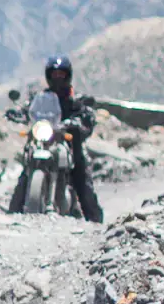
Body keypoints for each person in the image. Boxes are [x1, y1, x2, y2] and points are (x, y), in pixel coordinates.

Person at [10, 53, 104, 223]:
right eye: (54, 74)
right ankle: (12, 216)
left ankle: (96, 223)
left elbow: (87, 115)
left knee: (82, 177)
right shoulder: (41, 97)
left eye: (61, 74)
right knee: (26, 172)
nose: (58, 78)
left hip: (69, 142)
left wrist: (82, 119)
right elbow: (29, 109)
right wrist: (18, 113)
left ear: (68, 75)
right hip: (45, 139)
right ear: (48, 76)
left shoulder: (75, 99)